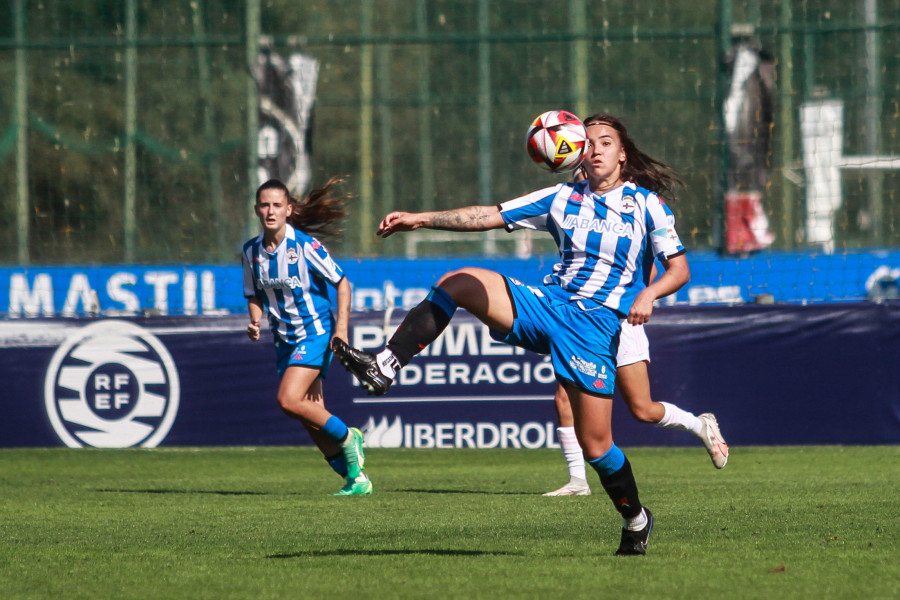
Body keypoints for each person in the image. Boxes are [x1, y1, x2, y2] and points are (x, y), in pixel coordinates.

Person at [334, 113, 689, 555]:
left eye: (605, 142)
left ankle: (636, 519)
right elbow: (489, 214)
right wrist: (421, 219)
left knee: (596, 446)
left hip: (595, 327)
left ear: (622, 155)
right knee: (459, 281)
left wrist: (649, 294)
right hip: (549, 305)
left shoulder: (647, 205)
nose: (595, 148)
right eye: (589, 141)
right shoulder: (561, 197)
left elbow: (679, 269)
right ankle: (385, 364)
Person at [544, 166, 728, 497]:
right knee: (563, 395)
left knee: (642, 409)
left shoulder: (639, 209)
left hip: (621, 319)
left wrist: (641, 293)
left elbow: (662, 267)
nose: (584, 167)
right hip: (582, 318)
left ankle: (700, 426)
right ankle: (577, 481)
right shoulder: (576, 203)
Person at [242, 177, 371, 496]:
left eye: (276, 205)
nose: (270, 211)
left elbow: (342, 283)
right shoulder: (250, 252)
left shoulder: (304, 246)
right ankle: (356, 478)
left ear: (288, 209)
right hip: (284, 339)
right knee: (310, 415)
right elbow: (254, 294)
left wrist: (341, 331)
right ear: (257, 209)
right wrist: (255, 320)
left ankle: (349, 438)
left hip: (315, 332)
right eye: (264, 205)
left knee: (288, 400)